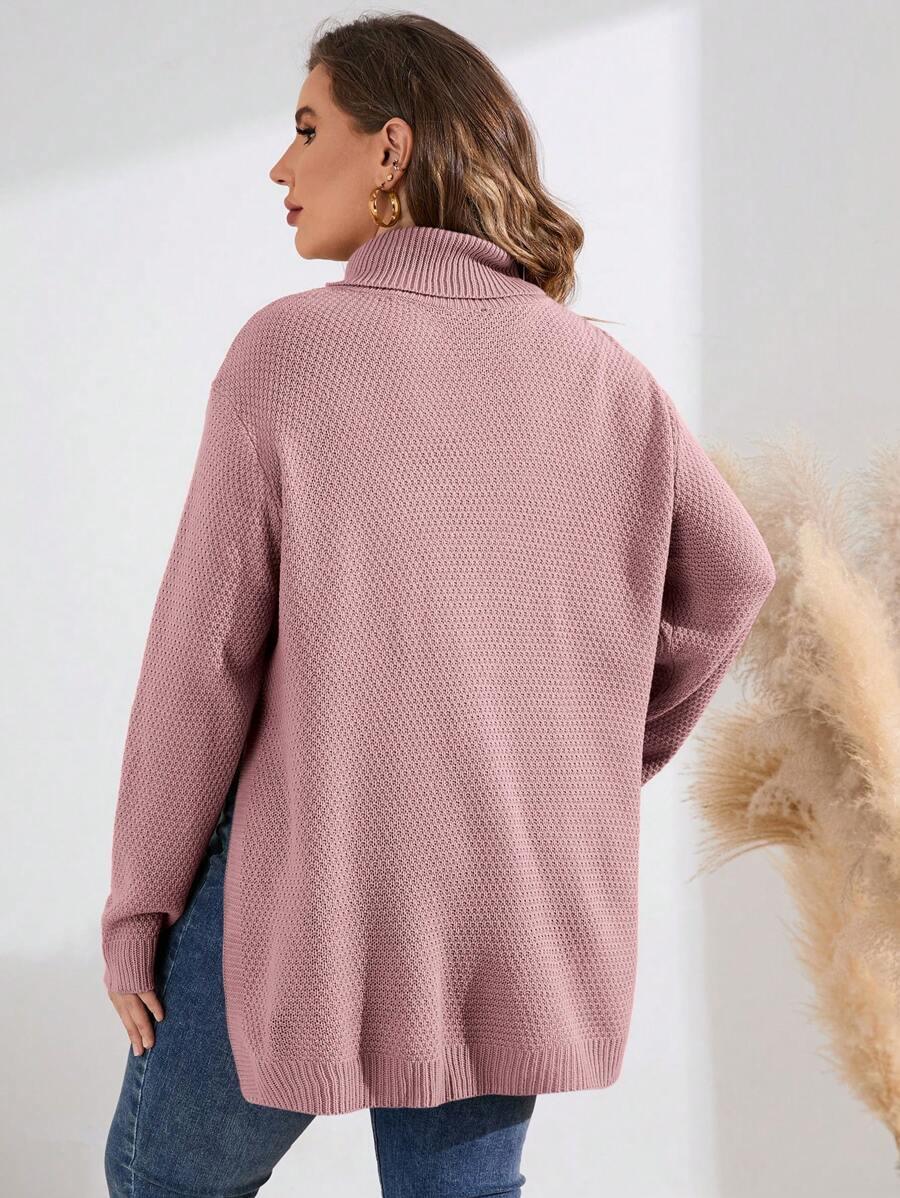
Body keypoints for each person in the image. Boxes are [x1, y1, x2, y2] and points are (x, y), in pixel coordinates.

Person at [101, 13, 777, 1198]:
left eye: (308, 128)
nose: (281, 164)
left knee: (163, 1182)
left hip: (315, 882)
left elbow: (203, 664)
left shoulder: (290, 354)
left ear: (391, 148)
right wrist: (591, 756)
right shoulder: (603, 376)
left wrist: (140, 903)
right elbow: (737, 579)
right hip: (511, 892)